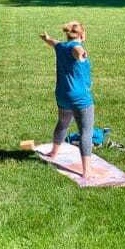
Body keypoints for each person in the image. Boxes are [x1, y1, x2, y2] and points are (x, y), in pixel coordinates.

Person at [40, 21, 95, 177]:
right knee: (86, 131)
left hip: (62, 95)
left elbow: (53, 42)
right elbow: (77, 50)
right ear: (82, 35)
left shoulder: (61, 46)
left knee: (63, 123)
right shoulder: (74, 48)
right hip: (80, 98)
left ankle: (53, 152)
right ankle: (87, 171)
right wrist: (81, 54)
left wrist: (47, 38)